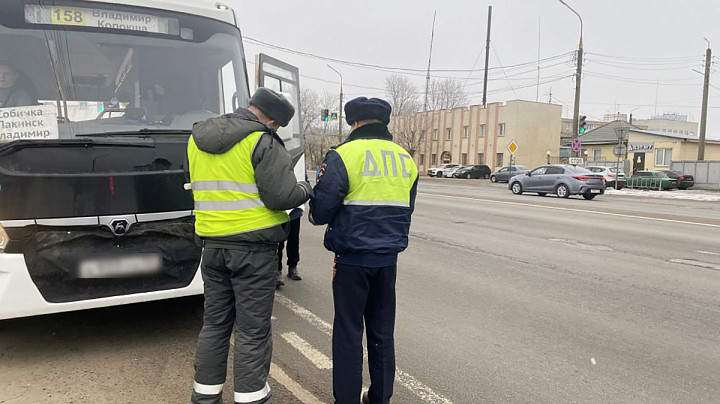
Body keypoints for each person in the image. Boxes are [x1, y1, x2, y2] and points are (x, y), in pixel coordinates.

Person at [188, 87, 311, 404]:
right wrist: (305, 188)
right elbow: (281, 197)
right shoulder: (262, 140)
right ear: (271, 119)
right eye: (278, 126)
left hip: (212, 246)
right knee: (252, 331)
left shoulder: (197, 138)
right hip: (253, 251)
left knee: (214, 325)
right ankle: (251, 398)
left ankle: (205, 396)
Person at [309, 97, 419, 404]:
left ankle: (346, 399)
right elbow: (407, 208)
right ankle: (380, 397)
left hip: (351, 259)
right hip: (388, 259)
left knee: (348, 332)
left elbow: (321, 210)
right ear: (385, 122)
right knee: (382, 333)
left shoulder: (344, 155)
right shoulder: (404, 159)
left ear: (353, 123)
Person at [276, 207, 303, 289]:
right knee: (278, 241)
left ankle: (293, 267)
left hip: (294, 210)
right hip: (278, 210)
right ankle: (277, 270)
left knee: (293, 239)